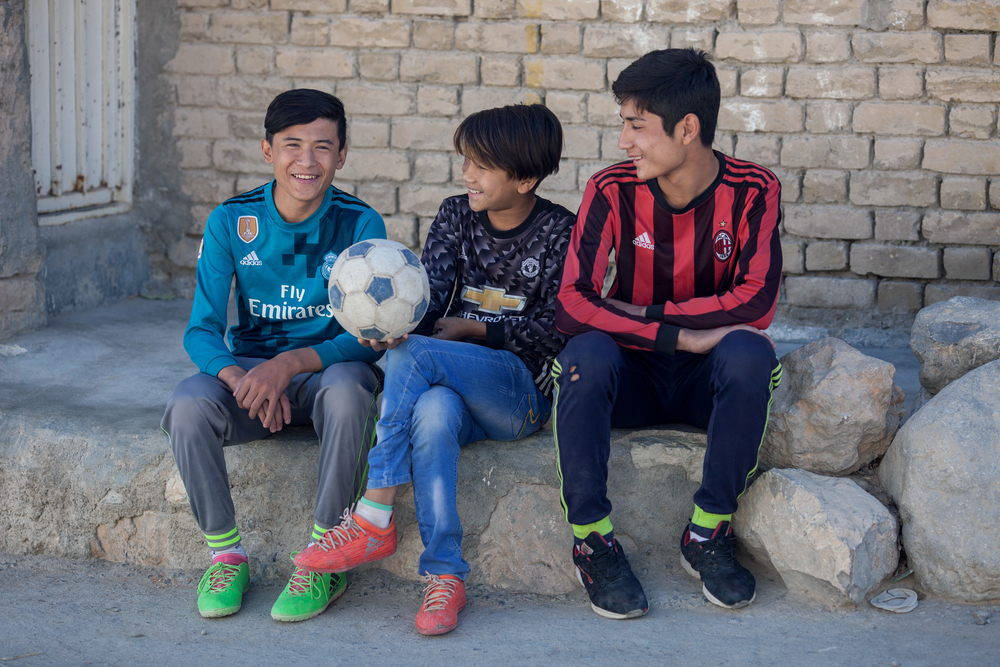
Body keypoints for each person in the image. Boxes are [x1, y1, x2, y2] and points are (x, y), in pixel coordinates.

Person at [291, 104, 576, 635]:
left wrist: (474, 331)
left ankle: (374, 513)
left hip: (517, 396)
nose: (468, 174)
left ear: (527, 177)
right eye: (466, 160)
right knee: (433, 410)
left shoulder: (562, 231)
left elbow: (560, 328)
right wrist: (396, 327)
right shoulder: (454, 215)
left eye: (484, 165)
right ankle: (445, 576)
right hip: (449, 385)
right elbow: (431, 300)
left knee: (415, 357)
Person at [552, 49, 783, 620]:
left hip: (709, 385)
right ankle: (592, 540)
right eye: (623, 125)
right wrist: (678, 336)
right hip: (630, 378)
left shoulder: (754, 191)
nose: (625, 142)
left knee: (751, 353)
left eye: (637, 126)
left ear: (687, 129)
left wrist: (646, 311)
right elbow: (572, 302)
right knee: (584, 353)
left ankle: (707, 532)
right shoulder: (610, 190)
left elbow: (758, 300)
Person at [161, 89, 386, 621]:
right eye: (292, 145)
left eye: (323, 147)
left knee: (353, 387)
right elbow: (201, 331)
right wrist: (243, 379)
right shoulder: (232, 221)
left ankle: (323, 560)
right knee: (188, 403)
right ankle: (226, 554)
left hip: (325, 376)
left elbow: (367, 336)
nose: (306, 161)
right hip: (251, 378)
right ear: (267, 150)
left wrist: (288, 366)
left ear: (343, 154)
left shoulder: (359, 223)